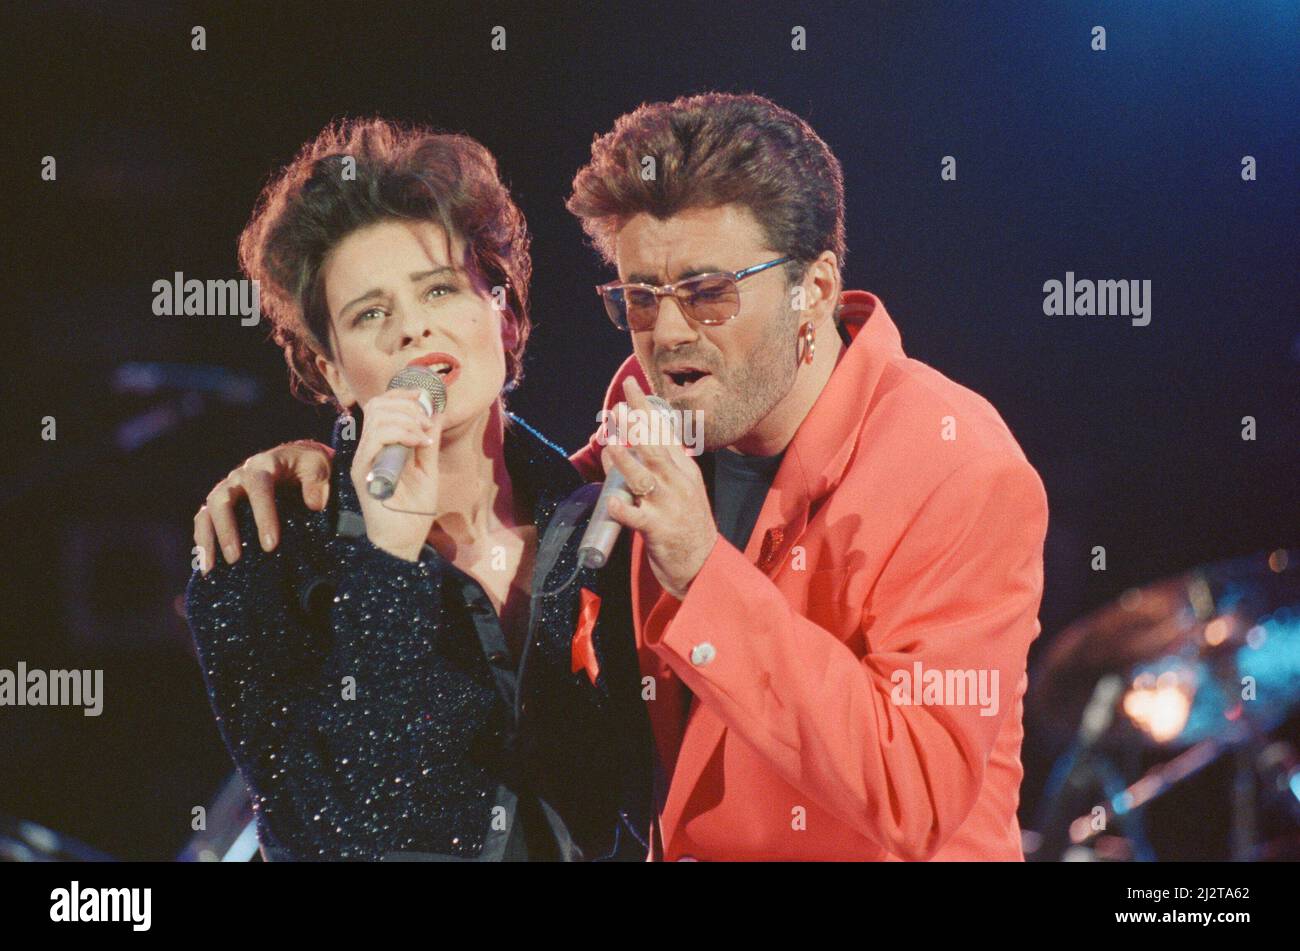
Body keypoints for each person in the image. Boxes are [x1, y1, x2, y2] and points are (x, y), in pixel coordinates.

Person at [195, 93, 1049, 861]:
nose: (670, 332)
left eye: (709, 291)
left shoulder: (954, 466)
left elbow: (917, 794)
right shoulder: (613, 466)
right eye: (641, 295)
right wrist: (337, 483)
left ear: (814, 289)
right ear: (329, 365)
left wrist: (703, 571)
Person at [185, 117, 652, 861]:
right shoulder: (261, 561)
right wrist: (386, 559)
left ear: (502, 312)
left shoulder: (615, 526)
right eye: (370, 314)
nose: (412, 330)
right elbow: (350, 834)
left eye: (438, 290)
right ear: (333, 371)